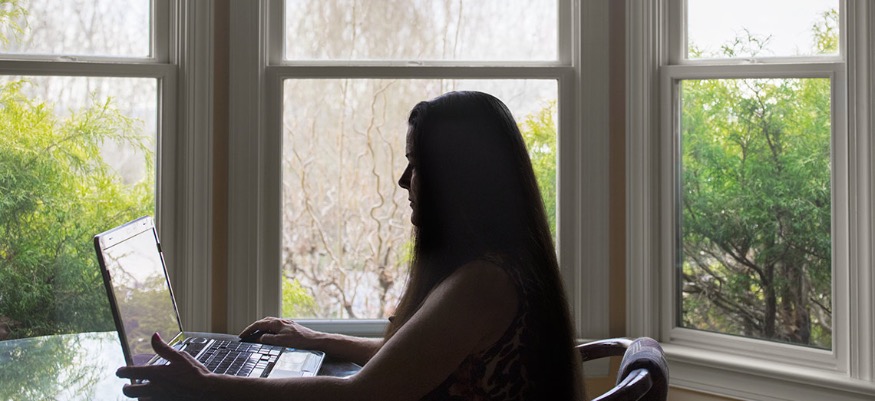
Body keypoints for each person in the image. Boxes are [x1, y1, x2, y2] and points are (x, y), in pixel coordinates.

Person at [117, 91, 585, 400]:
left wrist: (208, 386)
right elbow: (408, 359)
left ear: (458, 179)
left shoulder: (482, 284)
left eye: (417, 164)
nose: (404, 180)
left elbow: (362, 395)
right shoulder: (496, 267)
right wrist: (314, 340)